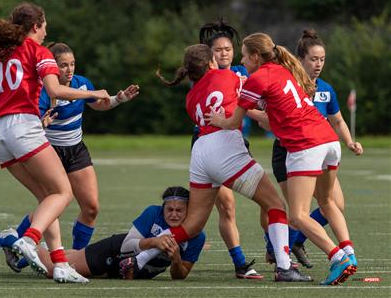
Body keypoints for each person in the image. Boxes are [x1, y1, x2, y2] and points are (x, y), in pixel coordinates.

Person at [121, 44, 312, 282]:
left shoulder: (190, 98)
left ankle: (138, 259)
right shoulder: (228, 75)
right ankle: (284, 268)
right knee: (275, 206)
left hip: (200, 151)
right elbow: (256, 98)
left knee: (191, 225)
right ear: (211, 62)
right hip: (224, 145)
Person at [0, 2, 114, 283]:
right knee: (63, 193)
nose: (47, 31)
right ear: (36, 26)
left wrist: (4, 103)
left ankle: (59, 263)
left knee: (48, 197)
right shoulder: (38, 51)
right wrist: (92, 93)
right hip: (23, 127)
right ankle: (28, 239)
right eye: (45, 25)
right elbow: (55, 89)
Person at [207, 32, 359, 285]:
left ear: (255, 56)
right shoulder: (283, 70)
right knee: (326, 201)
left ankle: (339, 257)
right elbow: (271, 119)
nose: (242, 61)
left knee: (298, 216)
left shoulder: (257, 79)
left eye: (244, 55)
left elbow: (234, 121)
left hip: (306, 145)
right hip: (329, 141)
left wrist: (218, 120)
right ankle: (349, 250)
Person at [0, 42, 139, 272]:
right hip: (49, 149)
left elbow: (99, 104)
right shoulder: (43, 89)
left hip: (76, 150)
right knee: (54, 203)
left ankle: (75, 257)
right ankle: (18, 237)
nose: (69, 69)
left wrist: (118, 99)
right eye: (63, 65)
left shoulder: (82, 84)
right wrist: (43, 122)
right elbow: (34, 123)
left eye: (72, 64)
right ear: (53, 66)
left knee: (91, 208)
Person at [0, 187, 205, 280]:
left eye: (179, 211)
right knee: (52, 269)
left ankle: (29, 248)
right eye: (170, 209)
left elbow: (180, 275)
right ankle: (12, 237)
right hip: (113, 252)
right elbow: (127, 245)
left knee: (60, 258)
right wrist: (154, 242)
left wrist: (175, 257)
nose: (174, 214)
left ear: (189, 212)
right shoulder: (152, 213)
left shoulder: (196, 235)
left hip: (126, 271)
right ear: (163, 208)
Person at [273, 29, 362, 268]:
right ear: (300, 58)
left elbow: (338, 120)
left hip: (320, 150)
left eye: (322, 59)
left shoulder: (326, 89)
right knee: (296, 213)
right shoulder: (290, 85)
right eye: (313, 59)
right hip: (291, 151)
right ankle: (281, 253)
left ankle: (296, 241)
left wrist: (349, 141)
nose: (318, 64)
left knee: (334, 205)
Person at [196, 19, 262, 279]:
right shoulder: (204, 76)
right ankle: (240, 263)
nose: (224, 53)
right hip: (210, 145)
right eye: (218, 50)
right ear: (209, 54)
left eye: (228, 49)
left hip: (236, 144)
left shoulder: (242, 71)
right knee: (227, 207)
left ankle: (278, 252)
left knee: (270, 202)